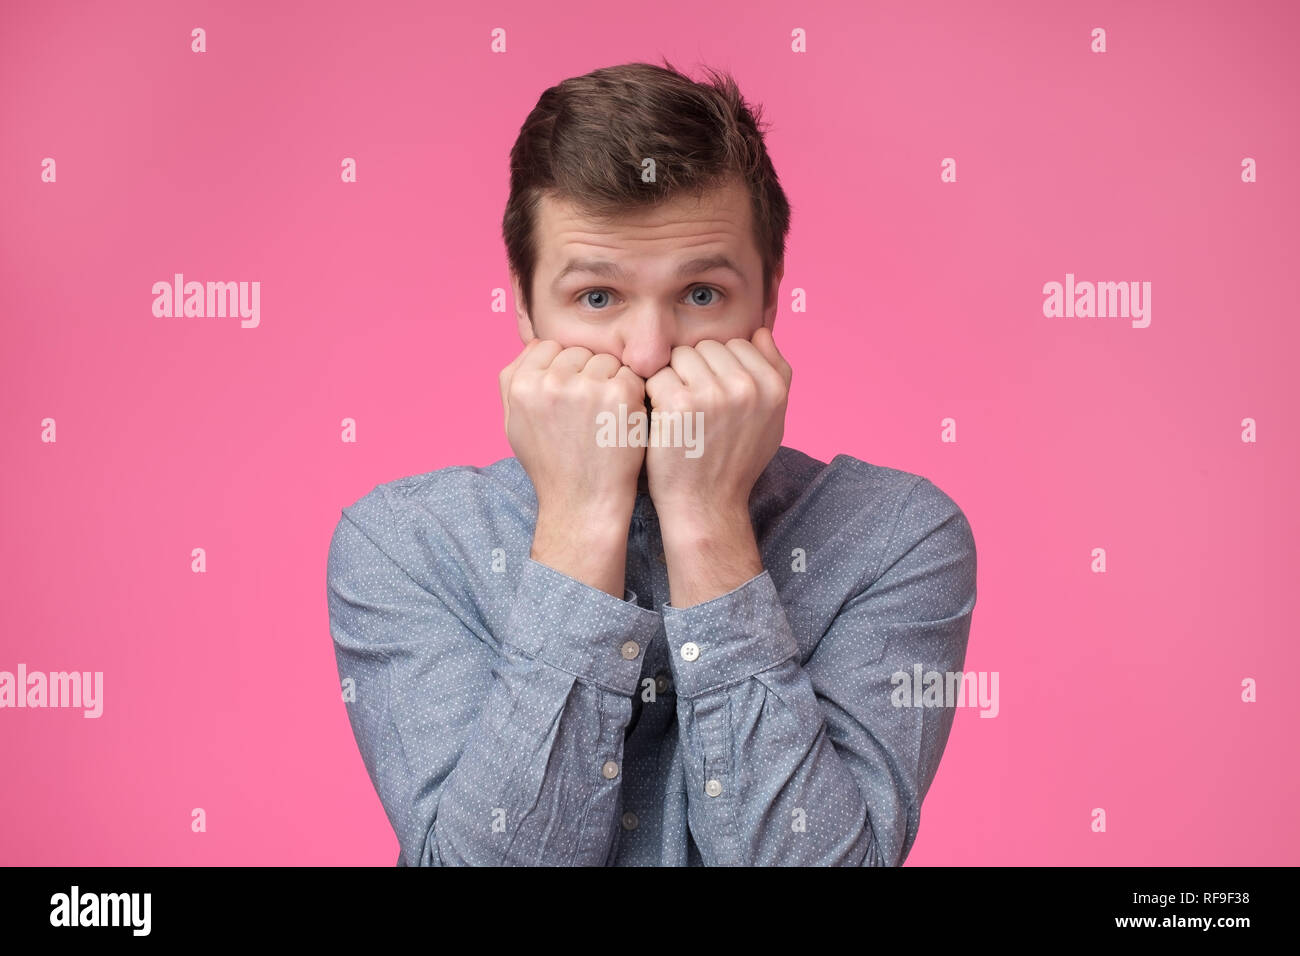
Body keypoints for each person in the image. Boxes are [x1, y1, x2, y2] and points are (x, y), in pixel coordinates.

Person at [326, 58, 978, 866]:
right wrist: (579, 521)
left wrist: (707, 521)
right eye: (597, 298)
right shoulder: (406, 544)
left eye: (701, 294)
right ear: (525, 307)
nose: (647, 352)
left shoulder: (895, 534)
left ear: (769, 297)